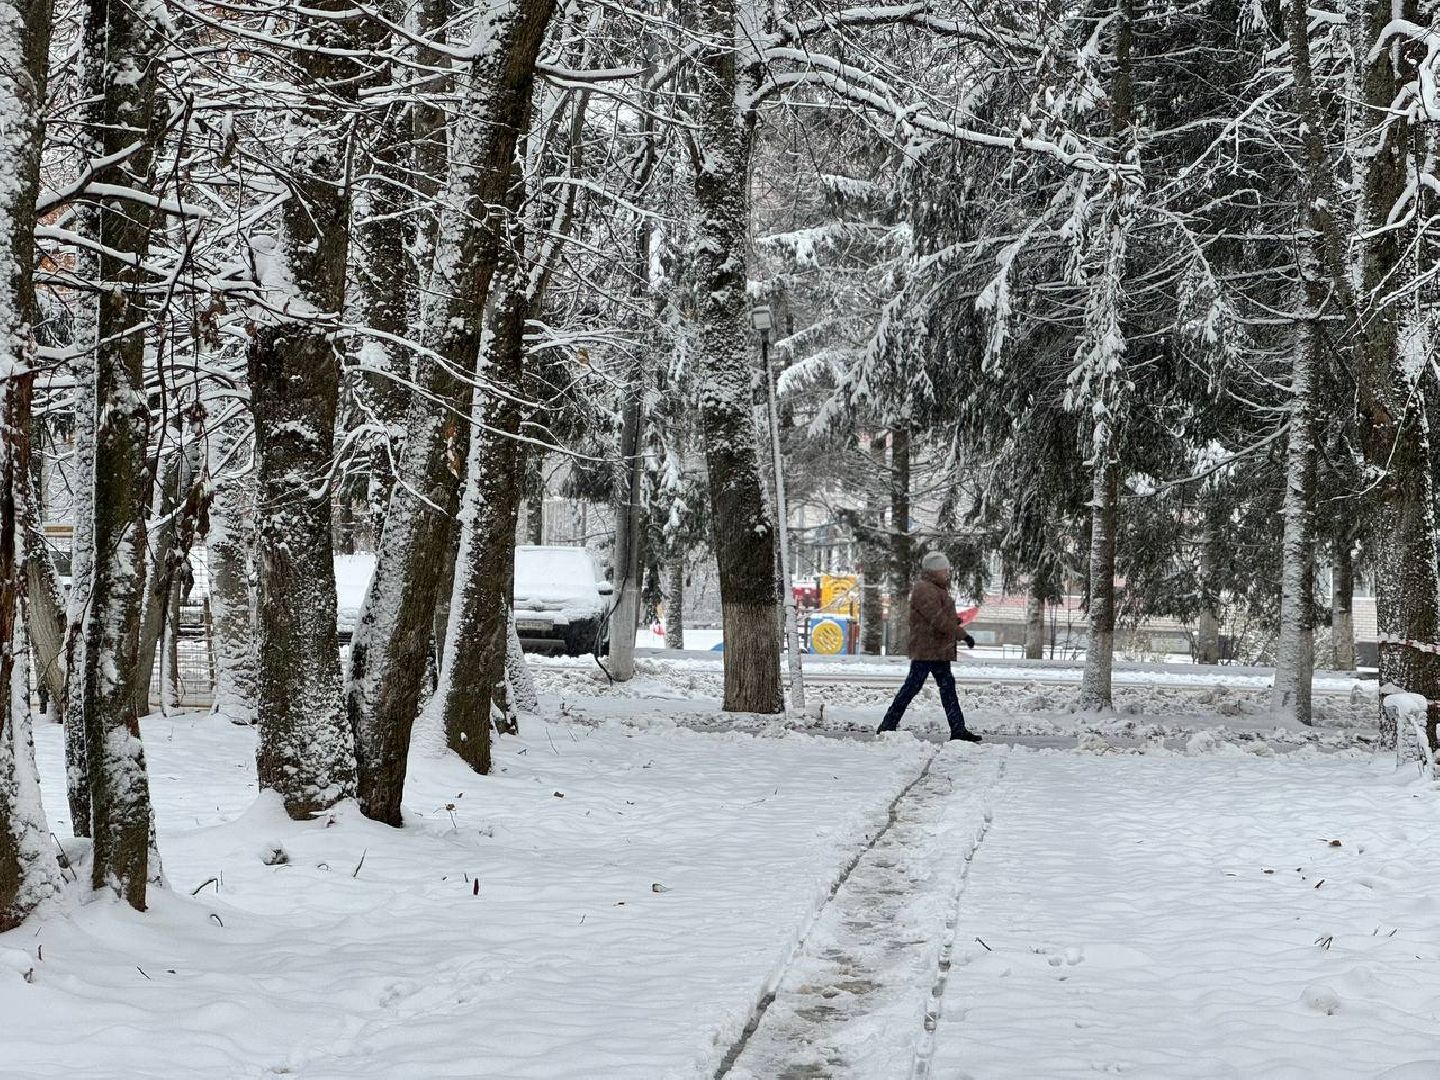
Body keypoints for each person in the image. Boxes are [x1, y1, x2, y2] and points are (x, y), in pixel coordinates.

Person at [877, 551, 982, 742]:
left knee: (946, 689)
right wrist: (962, 634)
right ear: (934, 571)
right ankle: (887, 725)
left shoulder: (935, 588)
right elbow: (937, 619)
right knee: (912, 688)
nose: (947, 573)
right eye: (944, 570)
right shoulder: (924, 589)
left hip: (937, 650)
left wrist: (954, 620)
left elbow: (938, 617)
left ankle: (958, 729)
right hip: (927, 651)